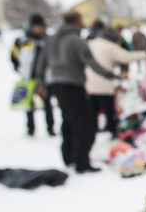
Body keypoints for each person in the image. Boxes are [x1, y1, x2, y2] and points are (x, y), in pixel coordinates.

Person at [45, 10, 119, 173]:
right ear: (77, 21)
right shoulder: (76, 40)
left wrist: (41, 83)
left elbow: (42, 62)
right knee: (83, 123)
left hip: (57, 84)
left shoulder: (52, 39)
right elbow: (91, 62)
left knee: (67, 120)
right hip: (73, 85)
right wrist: (110, 75)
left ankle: (68, 156)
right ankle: (82, 162)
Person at [86, 28, 146, 136]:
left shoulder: (90, 43)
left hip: (89, 84)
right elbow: (125, 56)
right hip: (104, 84)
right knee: (109, 111)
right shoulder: (110, 46)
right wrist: (145, 54)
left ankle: (93, 131)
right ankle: (111, 131)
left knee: (92, 111)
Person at [10, 14, 55, 137]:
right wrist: (20, 69)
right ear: (31, 27)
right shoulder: (23, 41)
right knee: (29, 105)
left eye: (41, 27)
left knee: (47, 104)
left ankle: (50, 128)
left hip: (46, 78)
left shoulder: (49, 41)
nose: (39, 29)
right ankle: (31, 128)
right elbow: (14, 57)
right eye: (37, 27)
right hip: (28, 78)